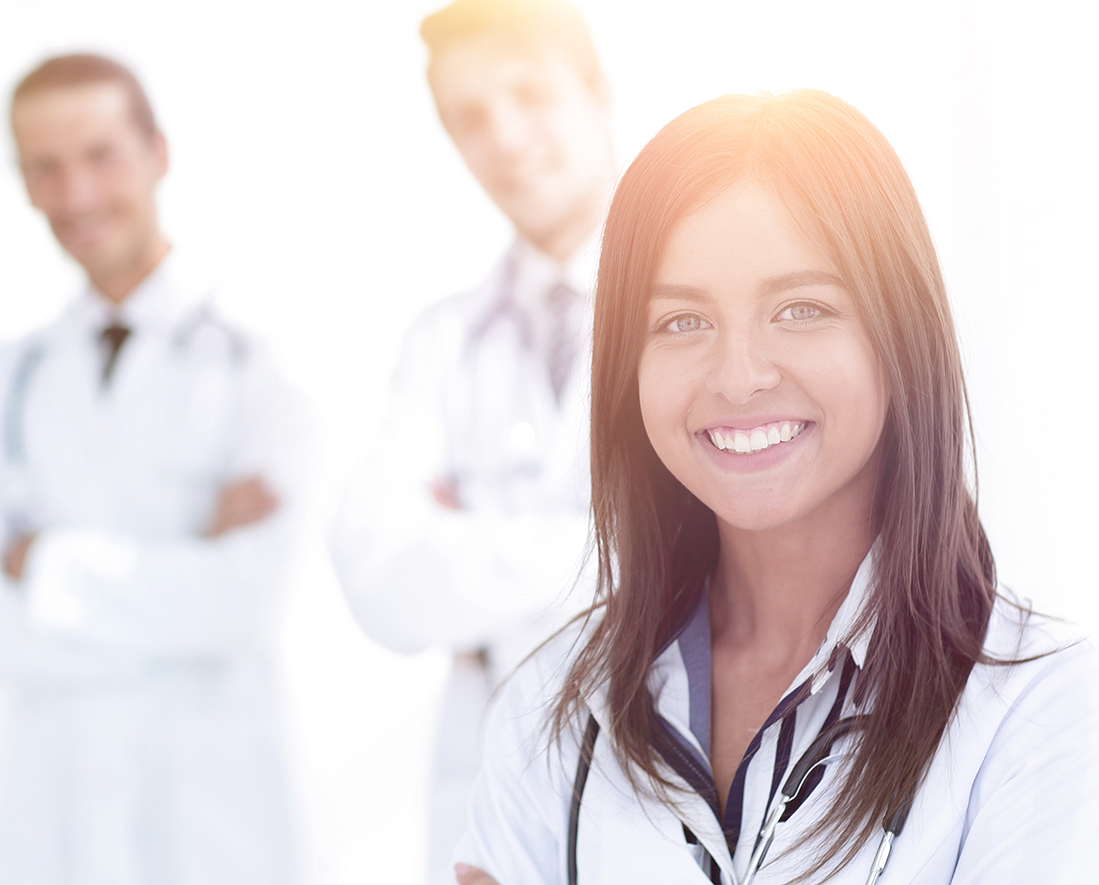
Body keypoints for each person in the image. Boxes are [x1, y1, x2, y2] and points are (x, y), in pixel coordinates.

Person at [452, 90, 1099, 885]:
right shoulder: (550, 703)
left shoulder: (1043, 706)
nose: (739, 376)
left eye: (800, 309)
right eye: (682, 322)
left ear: (900, 335)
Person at [0, 54, 308, 885]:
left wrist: (45, 563)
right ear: (21, 183)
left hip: (213, 820)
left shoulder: (256, 354)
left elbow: (243, 604)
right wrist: (181, 566)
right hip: (54, 821)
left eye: (100, 156)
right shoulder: (6, 378)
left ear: (158, 153)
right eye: (45, 168)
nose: (77, 195)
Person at [328, 0, 617, 878]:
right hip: (491, 812)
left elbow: (716, 563)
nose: (505, 138)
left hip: (662, 794)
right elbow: (375, 570)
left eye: (529, 94)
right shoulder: (442, 340)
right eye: (469, 118)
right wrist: (598, 546)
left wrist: (472, 580)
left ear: (598, 91)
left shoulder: (701, 310)